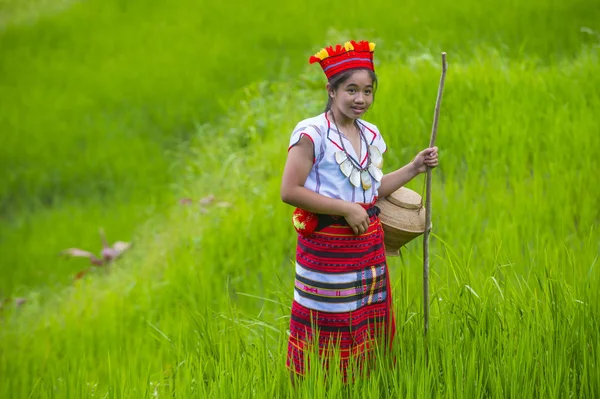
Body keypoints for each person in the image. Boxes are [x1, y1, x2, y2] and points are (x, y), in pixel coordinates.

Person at [280, 40, 439, 381]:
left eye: (368, 91)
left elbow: (370, 190)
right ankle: (320, 387)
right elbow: (289, 190)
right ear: (331, 90)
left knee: (367, 320)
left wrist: (413, 168)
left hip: (367, 246)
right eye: (351, 89)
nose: (360, 99)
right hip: (327, 249)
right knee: (330, 321)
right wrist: (346, 209)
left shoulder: (369, 134)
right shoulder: (312, 133)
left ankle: (364, 384)